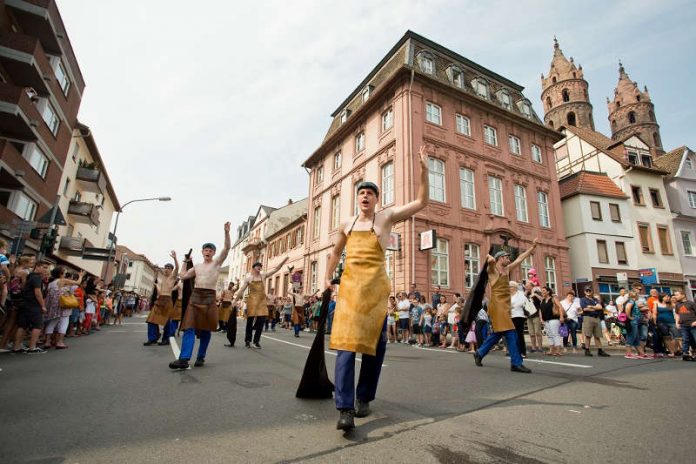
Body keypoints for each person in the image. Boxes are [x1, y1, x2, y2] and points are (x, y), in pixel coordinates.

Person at [324, 146, 429, 431]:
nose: (365, 195)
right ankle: (344, 408)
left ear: (376, 198)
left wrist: (424, 170)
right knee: (345, 347)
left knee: (374, 347)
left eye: (370, 192)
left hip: (375, 290)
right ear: (357, 198)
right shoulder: (347, 223)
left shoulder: (387, 217)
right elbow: (334, 254)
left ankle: (364, 398)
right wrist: (326, 278)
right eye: (361, 192)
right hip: (349, 289)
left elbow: (421, 201)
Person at [169, 223, 230, 370]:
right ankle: (184, 359)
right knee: (189, 327)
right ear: (202, 252)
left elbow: (227, 248)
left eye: (210, 250)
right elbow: (182, 276)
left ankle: (201, 356)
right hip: (196, 297)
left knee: (206, 329)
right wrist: (184, 262)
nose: (207, 252)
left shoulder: (216, 263)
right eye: (205, 250)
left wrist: (226, 232)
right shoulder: (196, 266)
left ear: (214, 253)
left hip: (209, 297)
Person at [472, 241, 538, 373]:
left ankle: (479, 353)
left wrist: (532, 247)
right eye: (507, 257)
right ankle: (516, 362)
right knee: (511, 332)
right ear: (500, 258)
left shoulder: (507, 269)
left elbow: (520, 258)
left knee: (498, 333)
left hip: (505, 304)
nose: (509, 259)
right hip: (497, 305)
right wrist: (490, 259)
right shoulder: (493, 270)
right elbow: (490, 264)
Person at [235, 256, 288, 348]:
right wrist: (235, 300)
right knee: (249, 322)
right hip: (252, 301)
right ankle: (248, 340)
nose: (259, 267)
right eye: (257, 266)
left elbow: (276, 269)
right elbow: (242, 290)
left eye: (260, 266)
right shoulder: (248, 278)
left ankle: (256, 341)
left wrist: (284, 260)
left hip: (262, 301)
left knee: (261, 320)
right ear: (253, 268)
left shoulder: (263, 276)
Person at [12, 259, 50, 354]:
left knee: (23, 325)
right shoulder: (36, 278)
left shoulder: (29, 276)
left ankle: (16, 347)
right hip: (33, 304)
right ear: (37, 266)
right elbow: (37, 292)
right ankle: (32, 347)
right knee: (37, 325)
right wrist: (43, 305)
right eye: (44, 267)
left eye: (47, 268)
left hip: (25, 303)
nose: (46, 270)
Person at [43, 267, 84, 349]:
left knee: (52, 322)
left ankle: (47, 342)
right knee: (64, 322)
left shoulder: (51, 283)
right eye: (64, 273)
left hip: (53, 305)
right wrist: (81, 276)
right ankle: (60, 342)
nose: (65, 274)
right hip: (63, 304)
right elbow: (78, 282)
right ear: (60, 274)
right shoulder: (62, 280)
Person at [145, 251, 179, 346]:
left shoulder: (173, 277)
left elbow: (177, 268)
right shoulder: (162, 278)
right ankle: (153, 338)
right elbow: (160, 292)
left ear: (172, 270)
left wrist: (175, 258)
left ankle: (166, 339)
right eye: (166, 267)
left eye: (169, 268)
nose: (167, 269)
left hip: (167, 300)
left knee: (167, 322)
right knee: (151, 319)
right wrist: (156, 285)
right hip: (160, 300)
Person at [579, 287, 610, 357]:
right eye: (587, 290)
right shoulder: (583, 299)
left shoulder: (595, 299)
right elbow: (585, 309)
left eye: (589, 290)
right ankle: (587, 350)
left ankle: (600, 351)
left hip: (596, 318)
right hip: (588, 318)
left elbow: (600, 307)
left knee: (597, 335)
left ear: (592, 291)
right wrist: (594, 308)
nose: (588, 291)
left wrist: (591, 307)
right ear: (584, 292)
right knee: (588, 335)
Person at [538, 286, 565, 356]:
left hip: (554, 319)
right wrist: (541, 319)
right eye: (542, 291)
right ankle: (551, 350)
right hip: (546, 320)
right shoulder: (542, 300)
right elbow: (540, 310)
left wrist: (561, 316)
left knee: (555, 334)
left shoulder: (553, 299)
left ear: (548, 292)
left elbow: (560, 307)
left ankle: (558, 350)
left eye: (544, 291)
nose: (542, 292)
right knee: (549, 335)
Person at [674, 290, 696, 361]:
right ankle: (685, 353)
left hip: (693, 325)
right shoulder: (677, 304)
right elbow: (677, 314)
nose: (675, 296)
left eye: (677, 295)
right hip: (683, 325)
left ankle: (694, 352)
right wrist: (677, 323)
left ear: (683, 295)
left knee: (694, 339)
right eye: (675, 295)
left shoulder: (691, 303)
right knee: (685, 339)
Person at [509, 281, 527, 358]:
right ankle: (515, 352)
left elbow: (521, 303)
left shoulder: (520, 294)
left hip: (518, 316)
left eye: (510, 286)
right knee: (512, 335)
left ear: (514, 287)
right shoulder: (509, 295)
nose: (509, 288)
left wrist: (511, 307)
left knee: (519, 335)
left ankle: (522, 352)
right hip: (510, 316)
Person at [524, 282, 543, 353]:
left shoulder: (537, 292)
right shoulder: (526, 294)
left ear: (531, 286)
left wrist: (535, 295)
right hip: (529, 316)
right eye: (526, 286)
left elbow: (542, 299)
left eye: (527, 286)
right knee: (531, 333)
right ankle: (533, 347)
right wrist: (525, 294)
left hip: (536, 315)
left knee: (538, 332)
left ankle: (540, 348)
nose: (526, 287)